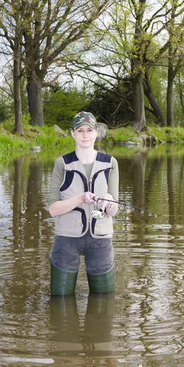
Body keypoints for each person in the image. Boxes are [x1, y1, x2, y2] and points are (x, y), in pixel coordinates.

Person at [48, 111, 119, 295]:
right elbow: (53, 210)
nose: (85, 135)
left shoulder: (110, 163)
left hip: (100, 241)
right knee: (60, 300)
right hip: (66, 240)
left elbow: (114, 211)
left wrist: (110, 202)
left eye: (89, 130)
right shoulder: (62, 164)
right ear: (72, 133)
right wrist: (79, 198)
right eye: (80, 130)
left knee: (104, 304)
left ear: (97, 132)